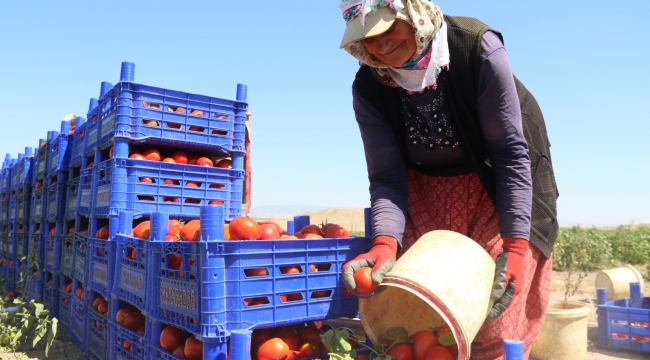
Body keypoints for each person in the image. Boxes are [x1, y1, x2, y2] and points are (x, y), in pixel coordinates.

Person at [337, 1, 559, 359]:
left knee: (494, 311)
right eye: (368, 39)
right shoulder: (370, 86)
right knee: (425, 301)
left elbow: (508, 156)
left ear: (413, 14)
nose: (380, 46)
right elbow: (386, 177)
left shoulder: (476, 48)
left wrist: (516, 248)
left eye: (388, 29)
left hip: (500, 180)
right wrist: (384, 245)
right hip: (428, 188)